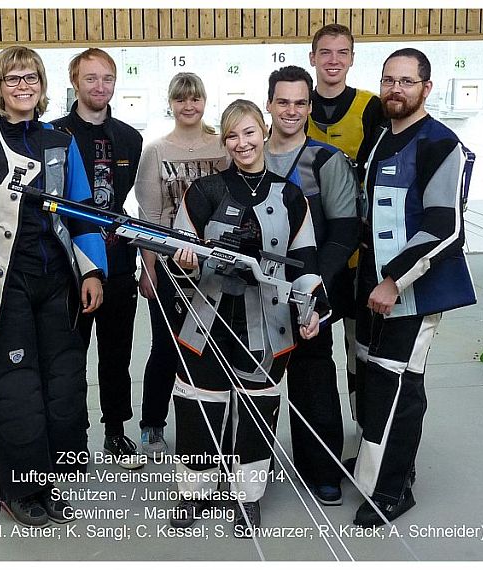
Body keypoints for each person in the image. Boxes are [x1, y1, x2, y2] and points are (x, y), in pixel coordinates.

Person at [0, 46, 107, 528]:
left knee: (61, 388)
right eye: (13, 78)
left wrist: (92, 272)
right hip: (5, 285)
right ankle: (17, 491)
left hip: (58, 283)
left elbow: (83, 211)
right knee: (17, 391)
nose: (23, 86)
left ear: (42, 85)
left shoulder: (61, 141)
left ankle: (48, 483)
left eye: (31, 77)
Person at [168, 99, 328, 534]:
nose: (242, 143)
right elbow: (177, 256)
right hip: (207, 320)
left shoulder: (291, 196)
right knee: (198, 406)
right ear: (224, 142)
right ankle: (194, 491)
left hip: (270, 324)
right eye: (232, 136)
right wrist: (185, 263)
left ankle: (247, 496)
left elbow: (306, 261)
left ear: (264, 131)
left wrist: (311, 310)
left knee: (259, 410)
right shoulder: (203, 191)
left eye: (249, 132)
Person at [353, 48, 476, 527]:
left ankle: (392, 489)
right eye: (389, 80)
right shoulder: (380, 137)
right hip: (371, 285)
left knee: (398, 383)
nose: (395, 89)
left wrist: (393, 280)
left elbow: (445, 227)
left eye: (406, 81)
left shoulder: (440, 144)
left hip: (411, 290)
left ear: (426, 88)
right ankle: (378, 465)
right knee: (371, 376)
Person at [264, 66, 359, 506]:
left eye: (300, 103)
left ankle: (322, 470)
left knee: (314, 378)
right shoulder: (249, 152)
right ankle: (249, 469)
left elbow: (345, 229)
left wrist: (318, 280)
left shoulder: (325, 160)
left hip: (311, 291)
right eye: (283, 102)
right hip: (258, 291)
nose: (292, 110)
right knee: (254, 382)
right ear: (269, 103)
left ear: (309, 106)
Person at [51, 48, 144, 470]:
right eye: (90, 78)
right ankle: (71, 439)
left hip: (118, 260)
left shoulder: (129, 138)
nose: (99, 86)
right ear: (74, 81)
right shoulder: (54, 135)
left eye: (107, 78)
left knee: (116, 354)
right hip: (68, 262)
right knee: (69, 357)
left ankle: (116, 431)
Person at [134, 72, 228, 459]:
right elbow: (150, 216)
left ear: (205, 101)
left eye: (195, 98)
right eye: (181, 99)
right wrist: (148, 268)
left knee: (214, 348)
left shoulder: (223, 146)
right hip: (171, 266)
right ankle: (152, 424)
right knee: (166, 346)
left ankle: (211, 426)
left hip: (217, 266)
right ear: (170, 103)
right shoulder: (156, 151)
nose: (189, 106)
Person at [308, 23, 387, 430]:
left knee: (361, 345)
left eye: (342, 52)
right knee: (313, 347)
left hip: (359, 251)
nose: (333, 60)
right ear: (313, 58)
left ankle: (365, 429)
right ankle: (321, 438)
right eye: (325, 52)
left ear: (352, 59)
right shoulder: (297, 106)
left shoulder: (371, 107)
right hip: (312, 250)